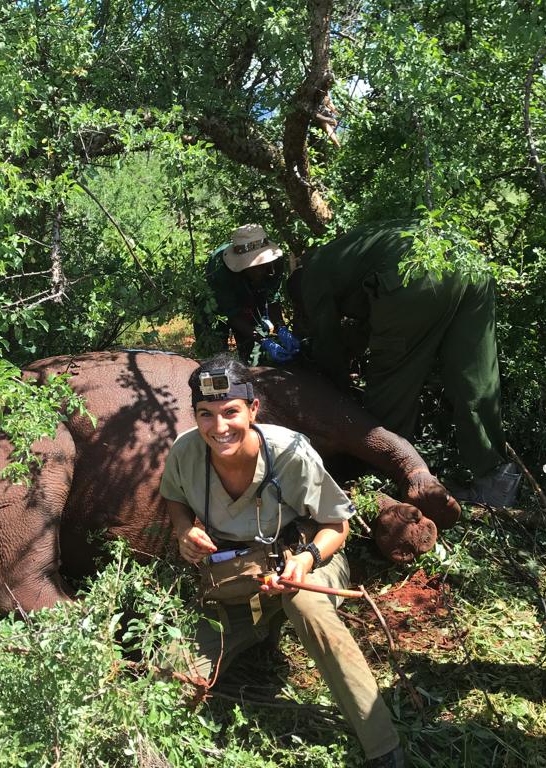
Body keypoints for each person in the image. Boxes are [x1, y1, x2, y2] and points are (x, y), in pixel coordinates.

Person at [160, 355, 406, 768]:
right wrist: (184, 530)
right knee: (169, 675)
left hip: (308, 559)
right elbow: (174, 498)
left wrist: (307, 560)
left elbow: (336, 526)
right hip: (238, 575)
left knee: (304, 604)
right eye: (206, 415)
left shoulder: (288, 452)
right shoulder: (186, 451)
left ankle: (382, 745)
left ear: (253, 409)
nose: (219, 428)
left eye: (231, 412)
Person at [291, 222, 519, 508]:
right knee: (476, 378)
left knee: (391, 384)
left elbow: (327, 343)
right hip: (468, 261)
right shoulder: (346, 250)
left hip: (419, 275)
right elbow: (366, 317)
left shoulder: (311, 277)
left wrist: (334, 384)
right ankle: (495, 477)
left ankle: (383, 478)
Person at [196, 224, 302, 365]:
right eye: (253, 267)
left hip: (251, 301)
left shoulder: (276, 263)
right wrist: (264, 341)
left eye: (262, 265)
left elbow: (272, 298)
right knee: (215, 359)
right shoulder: (219, 269)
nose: (259, 271)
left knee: (253, 358)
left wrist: (281, 328)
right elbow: (231, 314)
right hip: (217, 308)